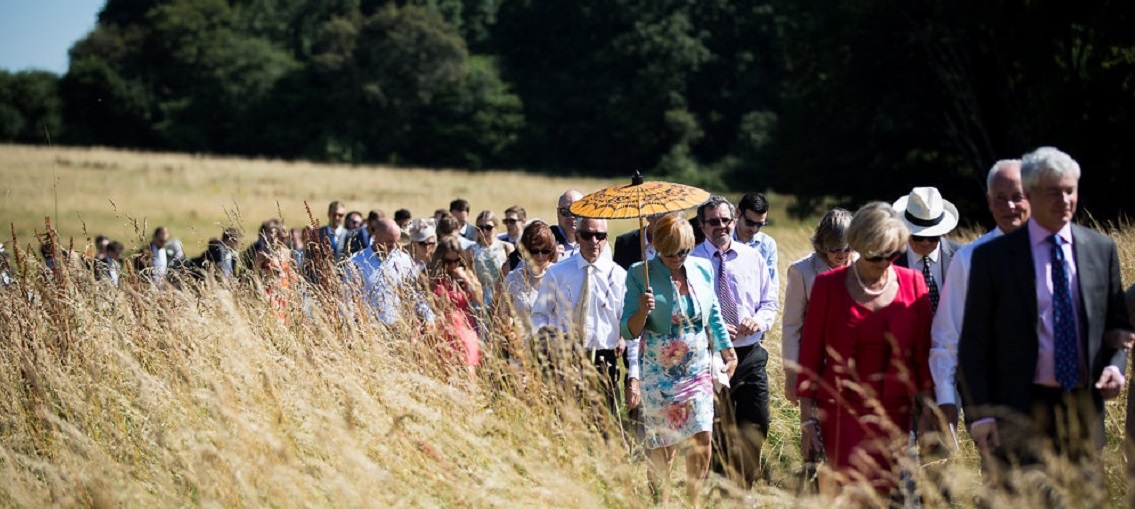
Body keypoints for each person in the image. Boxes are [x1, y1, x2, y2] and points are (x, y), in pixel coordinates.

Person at [959, 147, 1132, 487]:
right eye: (1054, 192)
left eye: (1070, 191)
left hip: (1082, 413)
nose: (1065, 200)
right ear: (1033, 194)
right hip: (1017, 413)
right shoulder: (992, 258)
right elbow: (974, 343)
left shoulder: (1100, 249)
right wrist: (980, 414)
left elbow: (1117, 327)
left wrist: (1115, 365)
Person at [796, 202, 934, 494]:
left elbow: (922, 358)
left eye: (892, 254)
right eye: (876, 255)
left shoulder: (914, 283)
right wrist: (807, 416)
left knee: (901, 494)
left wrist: (929, 412)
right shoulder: (827, 286)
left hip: (898, 414)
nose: (884, 262)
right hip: (842, 416)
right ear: (859, 245)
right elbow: (809, 355)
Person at [622, 213, 737, 506]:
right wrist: (642, 311)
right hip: (659, 373)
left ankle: (694, 502)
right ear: (657, 246)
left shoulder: (701, 268)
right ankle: (659, 501)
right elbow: (628, 330)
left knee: (702, 437)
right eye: (670, 252)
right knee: (664, 444)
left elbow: (712, 313)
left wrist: (726, 349)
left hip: (697, 368)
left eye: (683, 251)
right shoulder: (639, 272)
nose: (677, 258)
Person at [929, 160, 1030, 436]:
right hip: (994, 409)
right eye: (1001, 198)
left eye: (1017, 197)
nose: (1010, 207)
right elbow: (947, 332)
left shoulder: (1061, 251)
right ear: (988, 201)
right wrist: (947, 396)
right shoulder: (969, 258)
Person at [692, 195, 778, 487]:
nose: (721, 226)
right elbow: (686, 314)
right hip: (711, 356)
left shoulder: (752, 258)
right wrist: (711, 330)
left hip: (750, 352)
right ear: (702, 225)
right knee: (717, 430)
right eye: (713, 221)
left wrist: (759, 320)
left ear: (734, 220)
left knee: (757, 423)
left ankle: (744, 486)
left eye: (725, 220)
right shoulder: (691, 263)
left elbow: (769, 302)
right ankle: (720, 489)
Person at [531, 217, 627, 413]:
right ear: (577, 236)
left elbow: (625, 320)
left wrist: (624, 342)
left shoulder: (618, 276)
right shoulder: (558, 273)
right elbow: (539, 314)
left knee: (604, 427)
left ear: (606, 238)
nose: (593, 241)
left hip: (603, 358)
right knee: (566, 422)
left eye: (599, 236)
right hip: (565, 356)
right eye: (587, 235)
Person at [781, 208, 854, 405]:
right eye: (835, 249)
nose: (842, 255)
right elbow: (791, 325)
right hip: (817, 366)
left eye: (847, 248)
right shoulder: (801, 271)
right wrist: (791, 374)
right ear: (821, 245)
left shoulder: (863, 266)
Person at [343, 217, 433, 326]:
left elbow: (415, 294)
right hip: (370, 333)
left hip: (400, 330)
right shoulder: (356, 262)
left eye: (397, 241)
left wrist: (428, 318)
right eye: (390, 242)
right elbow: (348, 301)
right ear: (377, 237)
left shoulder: (404, 260)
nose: (394, 246)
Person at [892, 187, 962, 316]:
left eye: (932, 237)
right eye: (918, 237)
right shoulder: (889, 259)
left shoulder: (961, 256)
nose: (925, 242)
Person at [427, 236, 484, 381]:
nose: (452, 265)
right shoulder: (433, 277)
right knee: (446, 373)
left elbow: (479, 298)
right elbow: (432, 303)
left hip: (465, 328)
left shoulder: (466, 274)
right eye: (448, 261)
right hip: (442, 328)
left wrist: (465, 278)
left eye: (456, 260)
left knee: (468, 370)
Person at [499, 220, 558, 335]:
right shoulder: (513, 279)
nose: (540, 256)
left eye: (545, 251)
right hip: (523, 349)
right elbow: (503, 317)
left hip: (555, 348)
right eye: (534, 251)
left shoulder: (560, 275)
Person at [468, 210, 515, 309]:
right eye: (480, 228)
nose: (484, 231)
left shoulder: (506, 247)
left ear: (496, 227)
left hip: (502, 299)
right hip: (479, 300)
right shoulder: (470, 250)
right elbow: (469, 276)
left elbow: (513, 275)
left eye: (488, 228)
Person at [734, 192, 779, 295]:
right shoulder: (721, 238)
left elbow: (771, 287)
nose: (754, 229)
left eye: (760, 224)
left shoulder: (768, 245)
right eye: (750, 223)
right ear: (738, 212)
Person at [550, 189, 583, 259]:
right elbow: (522, 268)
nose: (572, 217)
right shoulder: (544, 242)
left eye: (577, 211)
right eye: (566, 212)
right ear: (558, 213)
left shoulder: (597, 241)